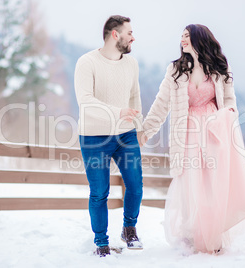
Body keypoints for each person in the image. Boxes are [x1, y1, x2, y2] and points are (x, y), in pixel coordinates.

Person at [140, 24, 245, 254]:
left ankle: (213, 236)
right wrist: (146, 132)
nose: (182, 40)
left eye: (187, 36)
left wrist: (228, 121)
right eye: (181, 36)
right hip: (186, 132)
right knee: (189, 181)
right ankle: (193, 234)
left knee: (212, 184)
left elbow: (230, 102)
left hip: (213, 133)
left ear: (199, 39)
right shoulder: (175, 70)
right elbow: (161, 104)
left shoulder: (219, 69)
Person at [74, 15, 144, 257]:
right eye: (129, 32)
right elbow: (85, 102)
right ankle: (101, 243)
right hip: (94, 137)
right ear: (115, 35)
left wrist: (140, 126)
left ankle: (129, 229)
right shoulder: (87, 62)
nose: (133, 37)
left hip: (126, 135)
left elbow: (134, 96)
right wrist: (118, 112)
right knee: (99, 192)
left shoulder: (131, 64)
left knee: (135, 186)